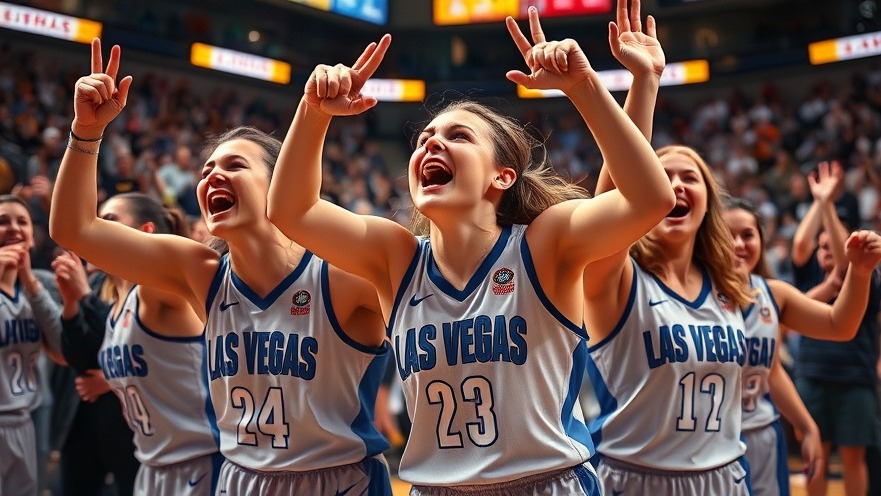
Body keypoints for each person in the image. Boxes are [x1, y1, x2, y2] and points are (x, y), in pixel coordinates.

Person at [267, 6, 674, 494]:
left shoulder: (545, 243)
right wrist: (312, 112)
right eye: (424, 139)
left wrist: (584, 88)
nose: (431, 145)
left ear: (502, 176)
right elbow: (290, 211)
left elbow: (649, 198)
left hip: (545, 482)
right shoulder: (395, 258)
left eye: (457, 136)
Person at [48, 38, 393, 495]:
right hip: (238, 477)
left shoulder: (341, 276)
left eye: (235, 165)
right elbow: (74, 229)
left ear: (280, 181)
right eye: (207, 170)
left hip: (338, 480)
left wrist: (316, 114)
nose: (212, 175)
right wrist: (86, 132)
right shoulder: (201, 271)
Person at [53, 192, 223, 495]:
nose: (95, 229)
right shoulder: (116, 305)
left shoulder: (155, 292)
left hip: (201, 461)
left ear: (145, 235)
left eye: (108, 221)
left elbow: (195, 270)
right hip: (151, 464)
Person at [725, 195, 881, 495]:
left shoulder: (773, 293)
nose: (739, 244)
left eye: (748, 235)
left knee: (853, 457)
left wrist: (859, 272)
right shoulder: (692, 291)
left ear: (761, 241)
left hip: (761, 433)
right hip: (708, 438)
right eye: (728, 236)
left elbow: (838, 325)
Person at [790, 161, 881, 496]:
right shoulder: (810, 276)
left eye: (832, 246)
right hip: (813, 375)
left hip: (855, 378)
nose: (824, 252)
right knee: (817, 455)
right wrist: (820, 201)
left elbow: (848, 261)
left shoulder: (864, 275)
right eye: (822, 247)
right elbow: (801, 244)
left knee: (853, 458)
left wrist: (828, 206)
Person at [52, 250, 141, 496]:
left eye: (109, 220)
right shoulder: (97, 281)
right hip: (86, 413)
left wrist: (113, 379)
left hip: (130, 420)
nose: (93, 235)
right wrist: (70, 306)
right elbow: (80, 357)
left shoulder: (151, 289)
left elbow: (145, 353)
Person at [0, 194, 66, 495]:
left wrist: (30, 283)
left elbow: (63, 351)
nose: (14, 228)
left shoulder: (39, 285)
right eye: (3, 222)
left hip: (26, 420)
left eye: (22, 222)